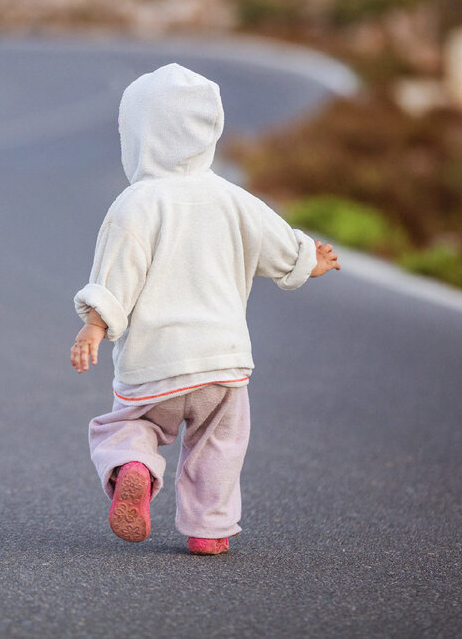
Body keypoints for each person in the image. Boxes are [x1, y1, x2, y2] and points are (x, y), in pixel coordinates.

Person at [70, 62, 340, 555]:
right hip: (223, 361)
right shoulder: (233, 199)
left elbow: (117, 274)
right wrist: (311, 261)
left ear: (140, 135)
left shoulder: (137, 203)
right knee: (220, 445)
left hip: (157, 361)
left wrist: (95, 323)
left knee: (129, 427)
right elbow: (280, 247)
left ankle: (136, 467)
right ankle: (210, 531)